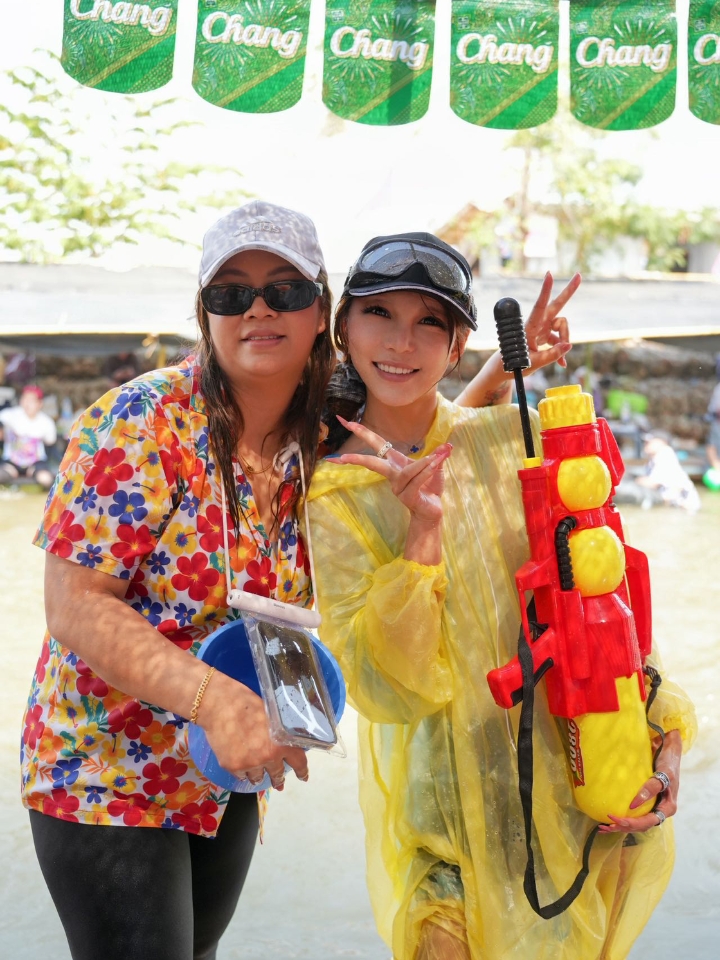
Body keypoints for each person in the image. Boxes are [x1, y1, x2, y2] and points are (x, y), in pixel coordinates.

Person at [307, 233, 697, 960]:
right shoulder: (335, 496)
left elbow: (597, 603)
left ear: (456, 347)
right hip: (440, 829)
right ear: (343, 331)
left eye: (430, 323)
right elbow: (386, 687)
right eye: (380, 315)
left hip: (571, 788)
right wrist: (423, 536)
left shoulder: (504, 445)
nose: (401, 342)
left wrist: (665, 737)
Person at [20, 201, 330, 960]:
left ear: (321, 309)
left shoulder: (322, 432)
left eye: (284, 290)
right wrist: (217, 699)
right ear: (206, 314)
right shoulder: (139, 422)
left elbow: (421, 413)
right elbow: (74, 604)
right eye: (231, 293)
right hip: (108, 766)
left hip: (227, 770)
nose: (259, 309)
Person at [0, 385, 57, 489]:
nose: (27, 403)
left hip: (35, 463)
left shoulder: (46, 422)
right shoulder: (8, 415)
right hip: (11, 462)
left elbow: (50, 442)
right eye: (25, 398)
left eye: (31, 400)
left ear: (40, 403)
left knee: (46, 479)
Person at [635, 430, 701, 513]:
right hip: (674, 505)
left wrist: (635, 480)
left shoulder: (665, 455)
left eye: (650, 441)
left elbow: (653, 483)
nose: (646, 444)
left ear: (662, 442)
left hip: (685, 506)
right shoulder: (654, 458)